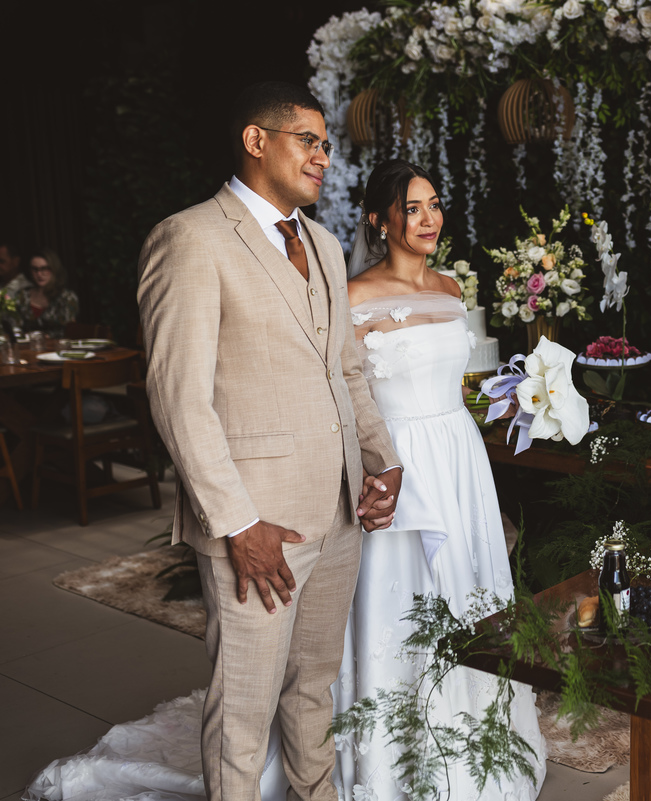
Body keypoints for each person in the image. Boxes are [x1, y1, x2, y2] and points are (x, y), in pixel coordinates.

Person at [136, 81, 403, 801]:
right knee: (244, 706)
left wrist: (384, 459)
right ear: (257, 141)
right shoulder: (189, 238)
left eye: (326, 145)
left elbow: (345, 367)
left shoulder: (319, 240)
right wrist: (238, 521)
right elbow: (178, 397)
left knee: (314, 686)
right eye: (308, 141)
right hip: (258, 524)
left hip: (341, 509)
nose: (324, 157)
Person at [331, 157, 547, 801]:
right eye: (413, 208)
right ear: (379, 220)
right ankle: (396, 757)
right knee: (401, 596)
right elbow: (344, 393)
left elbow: (462, 383)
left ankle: (479, 739)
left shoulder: (452, 289)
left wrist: (522, 400)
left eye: (434, 205)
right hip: (396, 459)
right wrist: (372, 466)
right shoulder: (354, 296)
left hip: (459, 454)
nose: (429, 219)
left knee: (470, 588)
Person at [11, 247, 79, 337]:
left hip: (58, 347)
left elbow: (70, 331)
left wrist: (47, 337)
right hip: (27, 347)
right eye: (35, 269)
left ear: (54, 269)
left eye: (44, 269)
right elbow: (15, 327)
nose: (39, 274)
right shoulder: (22, 295)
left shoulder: (66, 297)